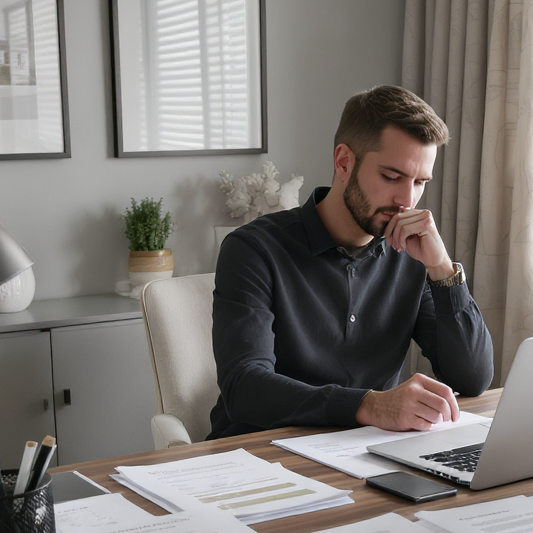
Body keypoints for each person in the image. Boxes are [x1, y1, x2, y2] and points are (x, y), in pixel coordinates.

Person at [208, 85, 494, 439]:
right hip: (261, 455)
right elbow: (245, 388)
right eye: (391, 177)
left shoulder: (413, 256)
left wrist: (443, 270)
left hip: (365, 455)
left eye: (420, 182)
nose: (407, 199)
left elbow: (473, 378)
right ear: (343, 162)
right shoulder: (253, 250)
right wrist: (372, 406)